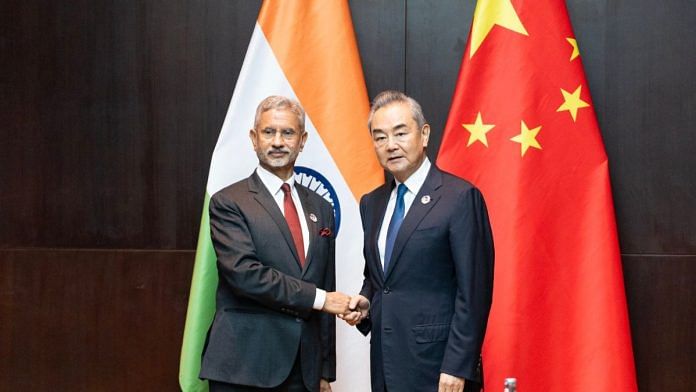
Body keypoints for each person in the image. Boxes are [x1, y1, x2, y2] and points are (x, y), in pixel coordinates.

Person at [341, 91, 495, 392]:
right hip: (386, 363)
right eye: (380, 137)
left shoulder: (460, 198)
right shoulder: (371, 204)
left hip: (440, 370)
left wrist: (457, 365)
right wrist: (365, 302)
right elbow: (379, 277)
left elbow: (474, 292)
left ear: (423, 134)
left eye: (400, 133)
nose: (391, 145)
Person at [200, 95, 354, 392]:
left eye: (288, 133)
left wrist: (324, 370)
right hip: (245, 367)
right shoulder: (229, 202)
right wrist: (321, 299)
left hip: (304, 370)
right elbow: (245, 275)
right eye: (269, 132)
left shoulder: (320, 207)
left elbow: (325, 280)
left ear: (303, 139)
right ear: (253, 138)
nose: (278, 141)